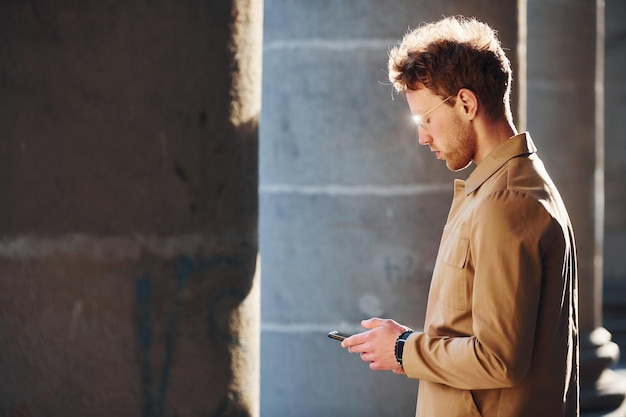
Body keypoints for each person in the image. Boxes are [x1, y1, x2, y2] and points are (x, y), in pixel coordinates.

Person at [341, 15, 579, 417]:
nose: (422, 136)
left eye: (426, 119)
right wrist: (408, 342)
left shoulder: (507, 202)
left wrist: (403, 351)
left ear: (466, 103)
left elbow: (498, 358)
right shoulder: (506, 187)